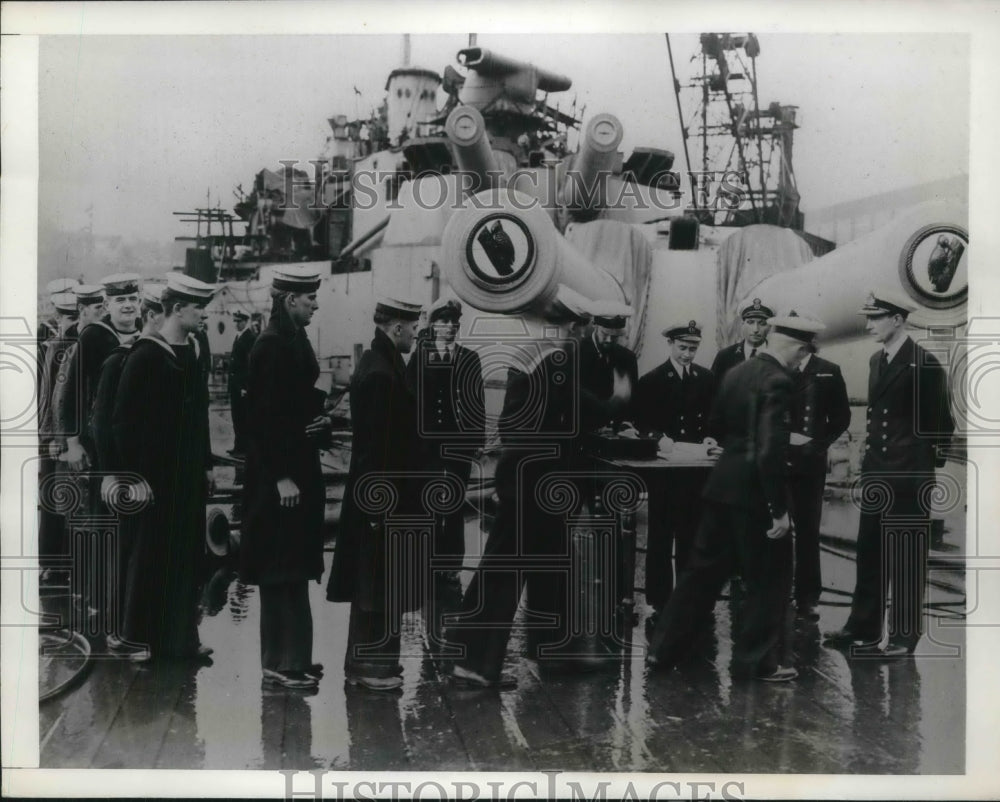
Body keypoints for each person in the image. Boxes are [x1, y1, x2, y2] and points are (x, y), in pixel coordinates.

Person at [646, 312, 826, 682]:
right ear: (792, 345)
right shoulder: (778, 380)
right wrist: (778, 511)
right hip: (755, 496)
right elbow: (769, 450)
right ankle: (758, 662)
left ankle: (662, 650)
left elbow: (720, 424)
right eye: (801, 351)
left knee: (699, 575)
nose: (800, 360)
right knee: (769, 579)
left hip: (720, 487)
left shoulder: (735, 373)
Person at [448, 287, 595, 689]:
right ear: (571, 326)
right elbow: (583, 411)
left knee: (548, 565)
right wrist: (617, 399)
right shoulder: (556, 360)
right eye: (581, 328)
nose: (581, 335)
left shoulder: (531, 355)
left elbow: (515, 422)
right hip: (534, 483)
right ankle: (472, 663)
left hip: (528, 479)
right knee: (502, 573)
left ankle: (551, 650)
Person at [823, 290, 953, 657]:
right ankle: (862, 628)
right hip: (879, 475)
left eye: (875, 318)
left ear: (897, 319)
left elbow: (942, 425)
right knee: (870, 553)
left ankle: (903, 637)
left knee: (907, 558)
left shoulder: (924, 363)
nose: (868, 325)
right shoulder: (876, 361)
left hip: (909, 478)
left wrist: (919, 468)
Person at [111, 273, 216, 662]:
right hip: (153, 479)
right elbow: (122, 425)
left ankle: (182, 638)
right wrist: (134, 477)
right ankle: (135, 638)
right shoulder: (144, 355)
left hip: (186, 476)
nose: (204, 314)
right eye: (198, 307)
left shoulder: (194, 349)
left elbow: (199, 415)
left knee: (186, 558)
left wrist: (205, 463)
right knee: (149, 555)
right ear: (175, 309)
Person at [327, 296, 423, 692]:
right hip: (382, 498)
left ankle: (372, 665)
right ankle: (370, 668)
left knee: (379, 583)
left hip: (382, 496)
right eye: (412, 327)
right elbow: (376, 451)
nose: (416, 334)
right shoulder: (382, 374)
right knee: (376, 586)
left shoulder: (381, 363)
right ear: (396, 327)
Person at [240, 266, 331, 689]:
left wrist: (321, 421)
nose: (315, 304)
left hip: (300, 464)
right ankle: (279, 662)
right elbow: (258, 420)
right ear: (290, 299)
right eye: (310, 298)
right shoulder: (270, 346)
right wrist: (279, 478)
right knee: (279, 567)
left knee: (294, 563)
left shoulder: (295, 338)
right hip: (280, 476)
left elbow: (297, 401)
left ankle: (297, 656)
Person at [405, 297, 485, 646]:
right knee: (426, 505)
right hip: (425, 449)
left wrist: (476, 439)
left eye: (455, 322)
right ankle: (426, 565)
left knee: (452, 506)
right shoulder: (418, 359)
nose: (451, 327)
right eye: (444, 321)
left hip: (457, 449)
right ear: (432, 325)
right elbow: (410, 404)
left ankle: (450, 567)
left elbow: (476, 401)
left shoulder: (469, 359)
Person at [90, 286, 165, 646]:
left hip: (140, 466)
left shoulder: (143, 349)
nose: (129, 306)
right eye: (121, 301)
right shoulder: (115, 355)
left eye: (133, 300)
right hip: (120, 468)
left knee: (139, 550)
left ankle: (134, 627)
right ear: (108, 307)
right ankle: (119, 630)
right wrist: (112, 473)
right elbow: (102, 420)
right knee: (123, 549)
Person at [636, 321, 717, 628]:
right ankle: (659, 600)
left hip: (695, 469)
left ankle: (687, 596)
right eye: (682, 348)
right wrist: (658, 437)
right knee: (660, 535)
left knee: (691, 534)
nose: (687, 354)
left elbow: (713, 416)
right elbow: (640, 421)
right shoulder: (652, 380)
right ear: (670, 344)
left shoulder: (706, 378)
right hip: (665, 469)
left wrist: (710, 437)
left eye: (693, 348)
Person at [786, 336, 850, 621]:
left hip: (810, 463)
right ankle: (775, 593)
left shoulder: (828, 370)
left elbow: (841, 418)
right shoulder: (777, 367)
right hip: (777, 459)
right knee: (774, 528)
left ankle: (807, 597)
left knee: (808, 530)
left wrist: (818, 444)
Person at [37, 287, 82, 582]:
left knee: (56, 497)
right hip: (58, 436)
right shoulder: (64, 345)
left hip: (54, 435)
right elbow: (53, 395)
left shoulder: (61, 344)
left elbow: (48, 397)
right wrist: (52, 437)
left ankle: (53, 562)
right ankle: (55, 561)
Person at [577, 301, 639, 432]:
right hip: (583, 434)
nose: (609, 341)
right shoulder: (576, 353)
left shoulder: (628, 358)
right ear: (594, 325)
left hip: (616, 435)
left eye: (615, 337)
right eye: (605, 335)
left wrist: (626, 425)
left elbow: (632, 404)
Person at [710, 298, 773, 383]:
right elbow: (713, 392)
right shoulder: (725, 356)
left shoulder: (778, 355)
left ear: (769, 327)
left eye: (762, 323)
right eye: (750, 322)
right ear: (742, 325)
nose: (755, 329)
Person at [227, 309, 255, 456]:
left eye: (238, 321)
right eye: (235, 322)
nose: (236, 324)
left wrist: (246, 387)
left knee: (243, 418)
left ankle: (244, 449)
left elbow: (251, 365)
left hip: (242, 388)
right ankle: (238, 446)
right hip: (236, 386)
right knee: (236, 417)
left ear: (245, 321)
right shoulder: (239, 337)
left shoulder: (249, 338)